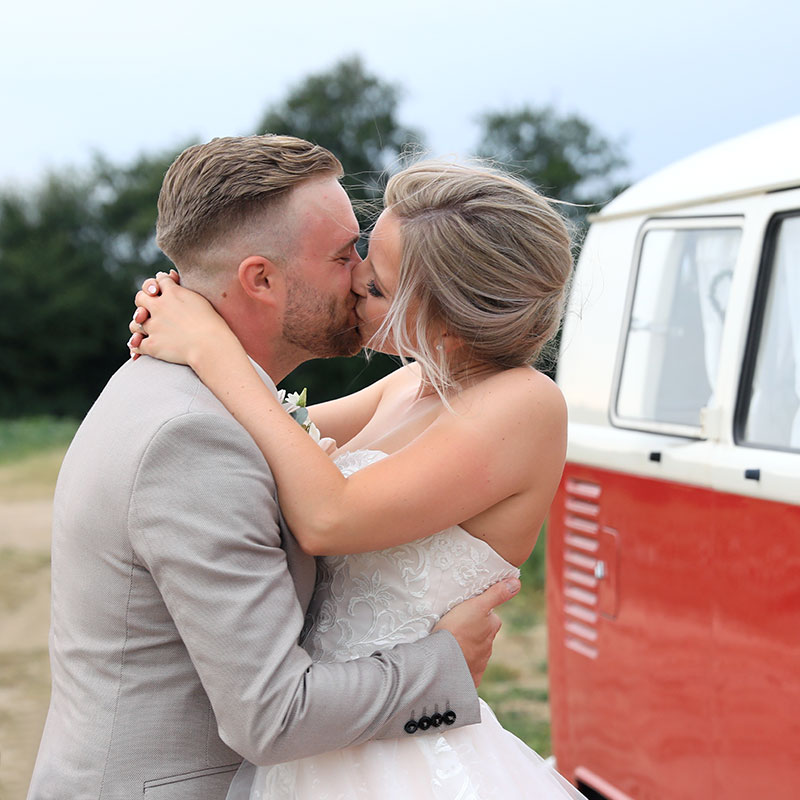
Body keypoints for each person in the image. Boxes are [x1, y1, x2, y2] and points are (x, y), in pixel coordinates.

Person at [27, 137, 516, 800]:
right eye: (345, 255)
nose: (362, 277)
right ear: (261, 279)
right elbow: (274, 713)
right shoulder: (192, 437)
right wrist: (445, 665)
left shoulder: (200, 395)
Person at [129, 159, 586, 799]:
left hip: (406, 756)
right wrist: (201, 307)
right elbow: (266, 432)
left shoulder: (524, 404)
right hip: (325, 724)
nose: (352, 284)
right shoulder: (412, 383)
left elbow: (329, 516)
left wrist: (211, 347)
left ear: (448, 312)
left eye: (374, 284)